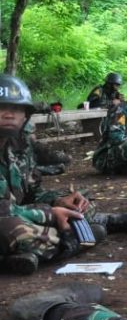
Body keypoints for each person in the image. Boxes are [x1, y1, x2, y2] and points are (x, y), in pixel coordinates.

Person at [0, 75, 99, 274]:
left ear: (25, 116)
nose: (10, 114)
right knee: (14, 229)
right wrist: (50, 214)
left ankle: (24, 254)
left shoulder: (17, 150)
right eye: (2, 107)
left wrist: (59, 201)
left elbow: (31, 194)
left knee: (84, 205)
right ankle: (68, 242)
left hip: (16, 215)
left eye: (17, 109)